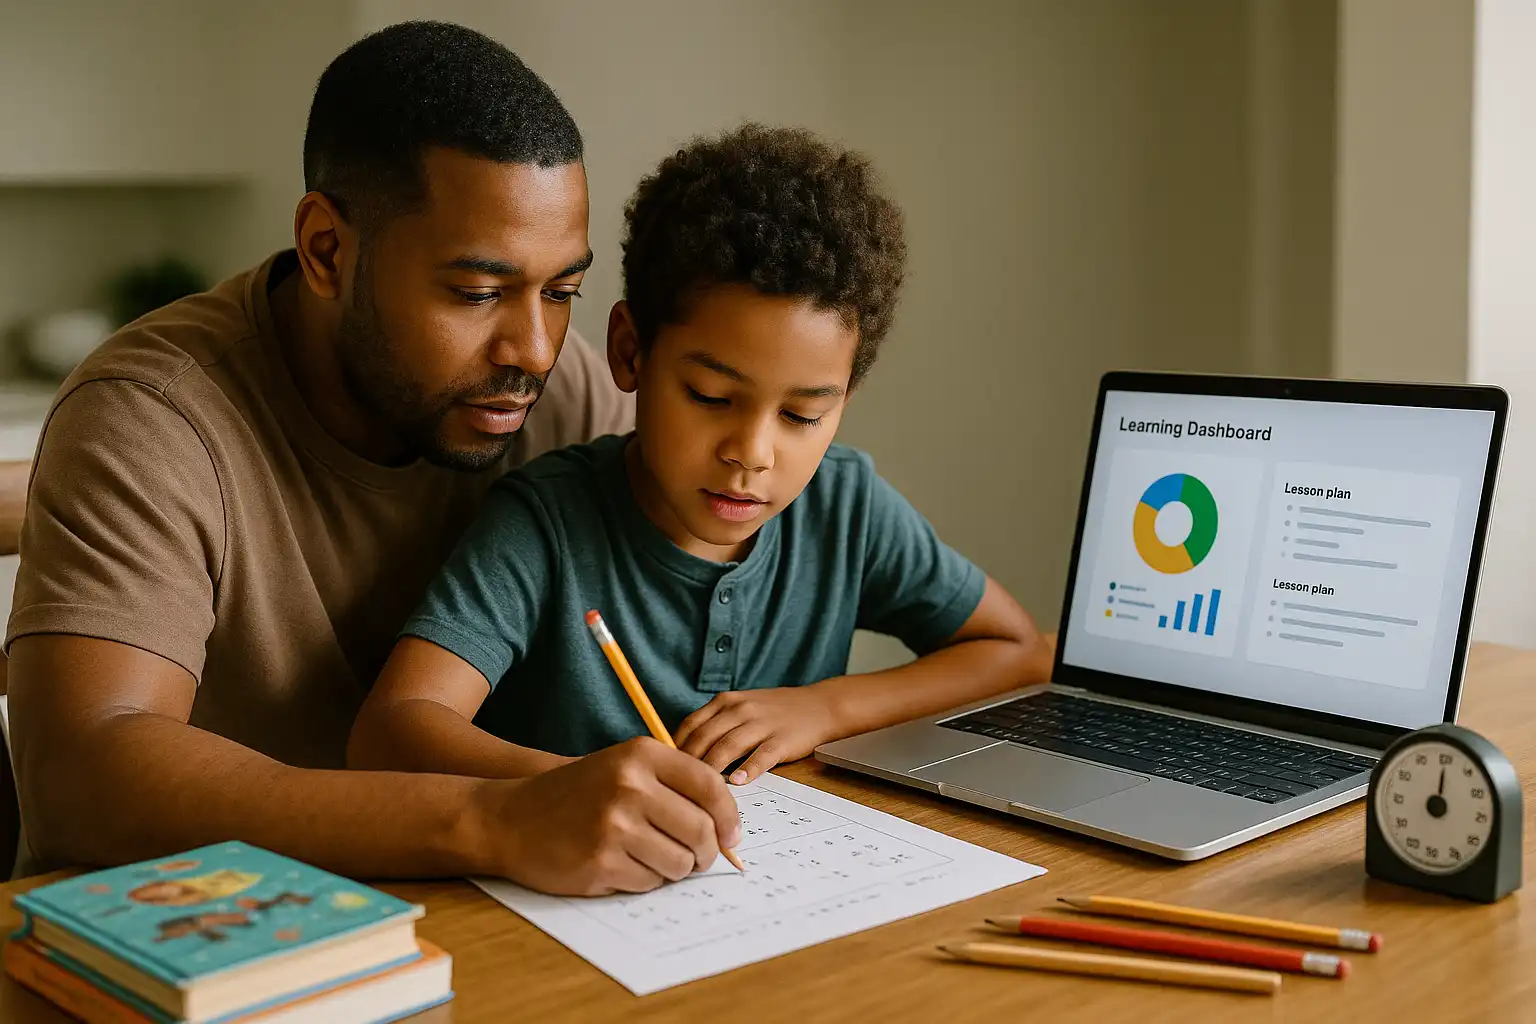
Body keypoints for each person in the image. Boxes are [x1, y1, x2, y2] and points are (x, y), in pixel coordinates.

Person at [5, 21, 743, 896]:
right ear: (328, 250)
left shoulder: (555, 386)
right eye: (477, 292)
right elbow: (81, 780)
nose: (537, 349)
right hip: (222, 937)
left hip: (502, 920)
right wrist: (492, 820)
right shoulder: (151, 415)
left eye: (562, 291)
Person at [347, 125, 1054, 819]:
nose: (752, 452)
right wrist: (563, 787)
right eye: (712, 398)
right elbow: (392, 728)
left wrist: (827, 707)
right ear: (630, 351)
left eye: (803, 416)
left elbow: (1019, 650)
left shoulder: (845, 506)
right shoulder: (547, 523)